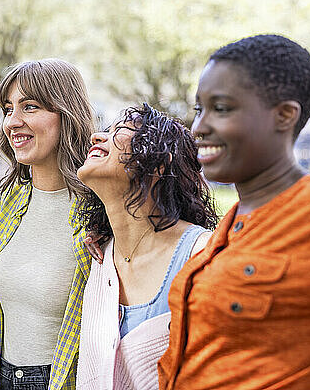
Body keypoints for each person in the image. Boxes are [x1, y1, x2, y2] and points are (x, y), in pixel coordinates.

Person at [158, 34, 310, 389]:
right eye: (199, 109)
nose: (199, 127)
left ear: (285, 115)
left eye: (221, 108)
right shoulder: (232, 225)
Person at [0, 58, 95, 390]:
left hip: (64, 380)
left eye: (30, 107)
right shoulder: (6, 203)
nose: (13, 122)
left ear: (66, 115)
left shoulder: (100, 209)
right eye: (9, 109)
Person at [75, 104, 217, 389]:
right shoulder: (99, 256)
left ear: (158, 161)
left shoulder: (202, 256)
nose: (96, 137)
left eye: (120, 130)